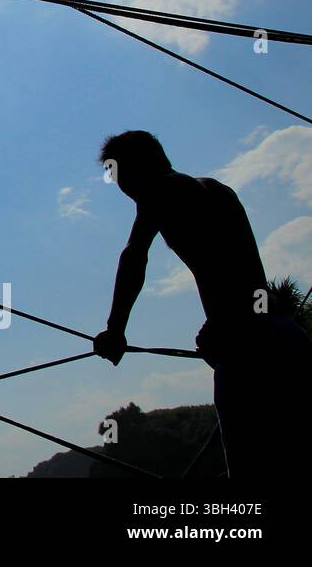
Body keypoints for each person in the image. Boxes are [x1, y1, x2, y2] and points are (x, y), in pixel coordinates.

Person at [91, 130, 312, 477]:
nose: (125, 191)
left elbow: (134, 257)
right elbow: (233, 270)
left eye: (120, 178)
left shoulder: (160, 190)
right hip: (284, 334)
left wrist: (115, 331)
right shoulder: (218, 190)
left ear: (135, 170)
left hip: (247, 349)